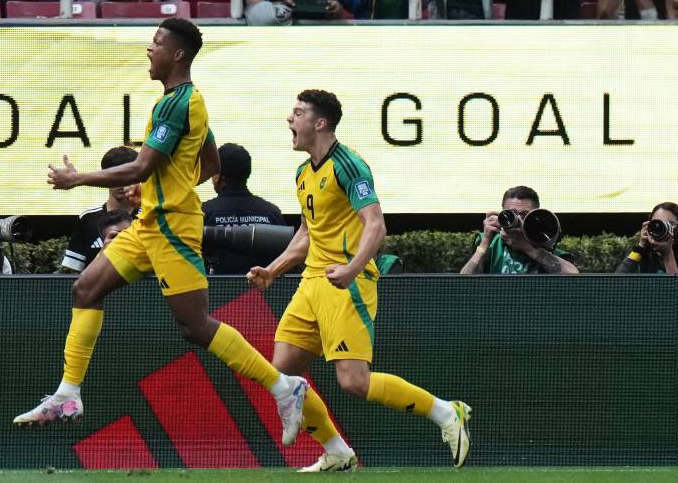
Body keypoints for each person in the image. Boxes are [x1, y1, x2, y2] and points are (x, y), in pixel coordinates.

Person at [13, 19, 310, 448]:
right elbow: (207, 165)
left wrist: (78, 179)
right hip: (150, 221)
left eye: (156, 43)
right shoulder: (184, 101)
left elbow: (140, 164)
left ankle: (283, 388)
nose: (148, 50)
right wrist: (153, 186)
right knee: (85, 289)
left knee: (195, 326)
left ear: (177, 55)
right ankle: (68, 395)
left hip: (172, 229)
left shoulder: (178, 104)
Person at [247, 90, 472, 472]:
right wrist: (274, 269)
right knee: (282, 375)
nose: (289, 119)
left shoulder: (349, 165)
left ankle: (446, 412)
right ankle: (337, 451)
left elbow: (376, 224)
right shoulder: (303, 173)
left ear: (320, 123)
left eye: (298, 113)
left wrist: (352, 269)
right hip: (312, 282)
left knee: (354, 382)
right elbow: (307, 233)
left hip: (346, 284)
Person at [202, 143, 285, 274]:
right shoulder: (272, 213)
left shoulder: (203, 213)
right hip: (264, 292)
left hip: (217, 293)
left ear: (218, 176)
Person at [460, 186, 578, 275]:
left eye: (524, 214)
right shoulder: (491, 244)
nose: (518, 219)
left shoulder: (543, 243)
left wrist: (526, 247)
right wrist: (485, 242)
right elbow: (463, 283)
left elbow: (574, 276)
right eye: (511, 214)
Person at [61, 146, 140, 274]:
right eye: (114, 176)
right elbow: (73, 272)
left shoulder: (150, 217)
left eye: (126, 176)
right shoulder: (87, 219)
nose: (121, 183)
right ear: (104, 177)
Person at [615, 202, 678, 274]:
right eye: (658, 223)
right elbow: (618, 282)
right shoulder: (640, 251)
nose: (662, 227)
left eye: (670, 224)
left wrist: (667, 253)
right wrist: (640, 247)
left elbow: (674, 285)